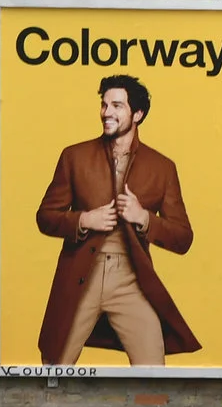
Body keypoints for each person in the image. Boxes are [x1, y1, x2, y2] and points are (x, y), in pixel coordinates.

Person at [34, 74, 199, 367]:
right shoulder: (75, 156)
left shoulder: (162, 168)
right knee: (54, 370)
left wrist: (144, 219)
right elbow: (45, 217)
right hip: (81, 277)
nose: (107, 112)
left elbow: (183, 238)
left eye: (117, 106)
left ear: (137, 114)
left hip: (131, 281)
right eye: (104, 104)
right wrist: (84, 220)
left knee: (154, 376)